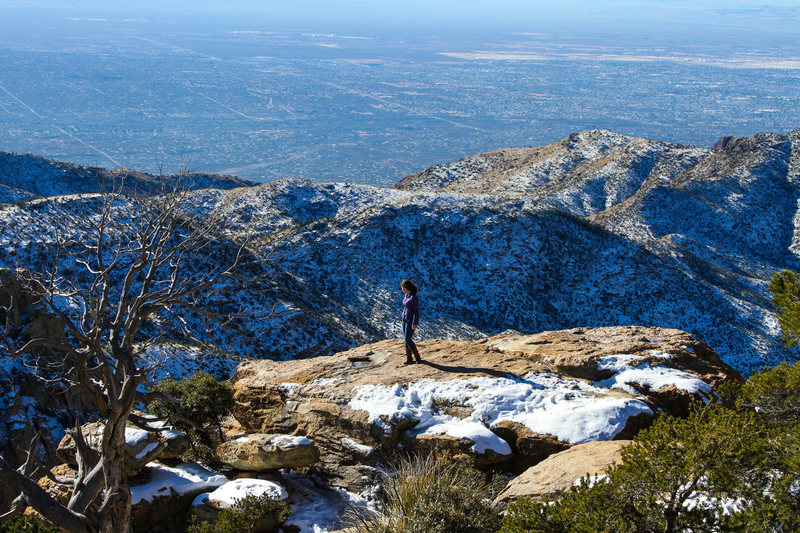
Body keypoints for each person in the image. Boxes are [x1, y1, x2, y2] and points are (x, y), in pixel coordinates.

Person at [401, 279, 421, 364]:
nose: (401, 289)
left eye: (402, 287)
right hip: (404, 320)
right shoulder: (406, 295)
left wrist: (415, 323)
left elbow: (416, 312)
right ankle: (409, 359)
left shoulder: (413, 298)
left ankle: (418, 358)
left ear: (406, 287)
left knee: (408, 339)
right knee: (406, 340)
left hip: (410, 321)